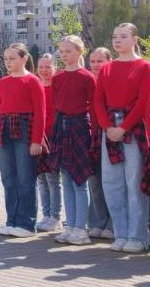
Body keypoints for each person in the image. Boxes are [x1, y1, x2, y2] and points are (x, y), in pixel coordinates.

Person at [94, 23, 149, 253]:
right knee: (112, 183)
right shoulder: (106, 68)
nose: (117, 41)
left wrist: (123, 127)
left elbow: (144, 101)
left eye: (123, 37)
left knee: (134, 183)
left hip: (133, 130)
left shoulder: (144, 67)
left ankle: (138, 236)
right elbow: (98, 99)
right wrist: (108, 127)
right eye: (115, 36)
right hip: (109, 130)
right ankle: (121, 233)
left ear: (135, 39)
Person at [0, 43, 45, 238]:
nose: (8, 62)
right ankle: (11, 221)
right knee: (8, 178)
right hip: (4, 130)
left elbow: (40, 112)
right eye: (6, 58)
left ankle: (27, 224)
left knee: (25, 179)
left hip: (24, 130)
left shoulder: (33, 81)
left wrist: (36, 140)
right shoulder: (3, 82)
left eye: (12, 58)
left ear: (24, 58)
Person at [47, 36, 97, 245]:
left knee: (80, 180)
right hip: (62, 128)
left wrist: (94, 137)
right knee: (66, 179)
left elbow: (93, 108)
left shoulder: (87, 77)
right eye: (61, 51)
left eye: (68, 51)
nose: (64, 55)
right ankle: (70, 226)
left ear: (79, 52)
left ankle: (81, 229)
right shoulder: (57, 78)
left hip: (80, 128)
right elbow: (56, 105)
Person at [86, 46, 113, 239]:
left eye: (100, 61)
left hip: (110, 134)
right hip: (91, 136)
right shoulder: (89, 80)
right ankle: (97, 221)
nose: (96, 65)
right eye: (93, 61)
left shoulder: (112, 80)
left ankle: (112, 223)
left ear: (109, 61)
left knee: (111, 181)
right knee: (94, 181)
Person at [34, 54, 61, 232]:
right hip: (38, 139)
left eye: (48, 67)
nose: (44, 70)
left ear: (55, 67)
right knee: (41, 179)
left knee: (52, 179)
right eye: (41, 67)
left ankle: (55, 217)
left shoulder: (58, 87)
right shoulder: (36, 86)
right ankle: (46, 215)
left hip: (53, 139)